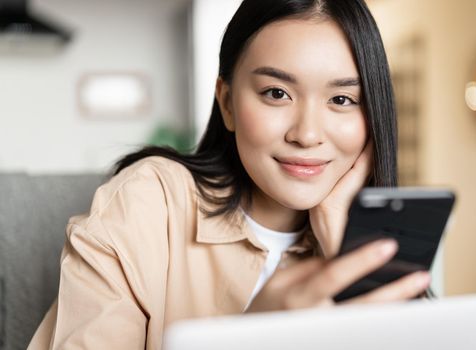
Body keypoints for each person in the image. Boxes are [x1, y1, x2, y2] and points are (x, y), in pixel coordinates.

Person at [29, 0, 431, 348]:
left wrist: (344, 244)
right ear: (227, 103)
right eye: (277, 93)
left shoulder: (380, 242)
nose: (307, 134)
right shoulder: (149, 202)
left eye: (342, 99)